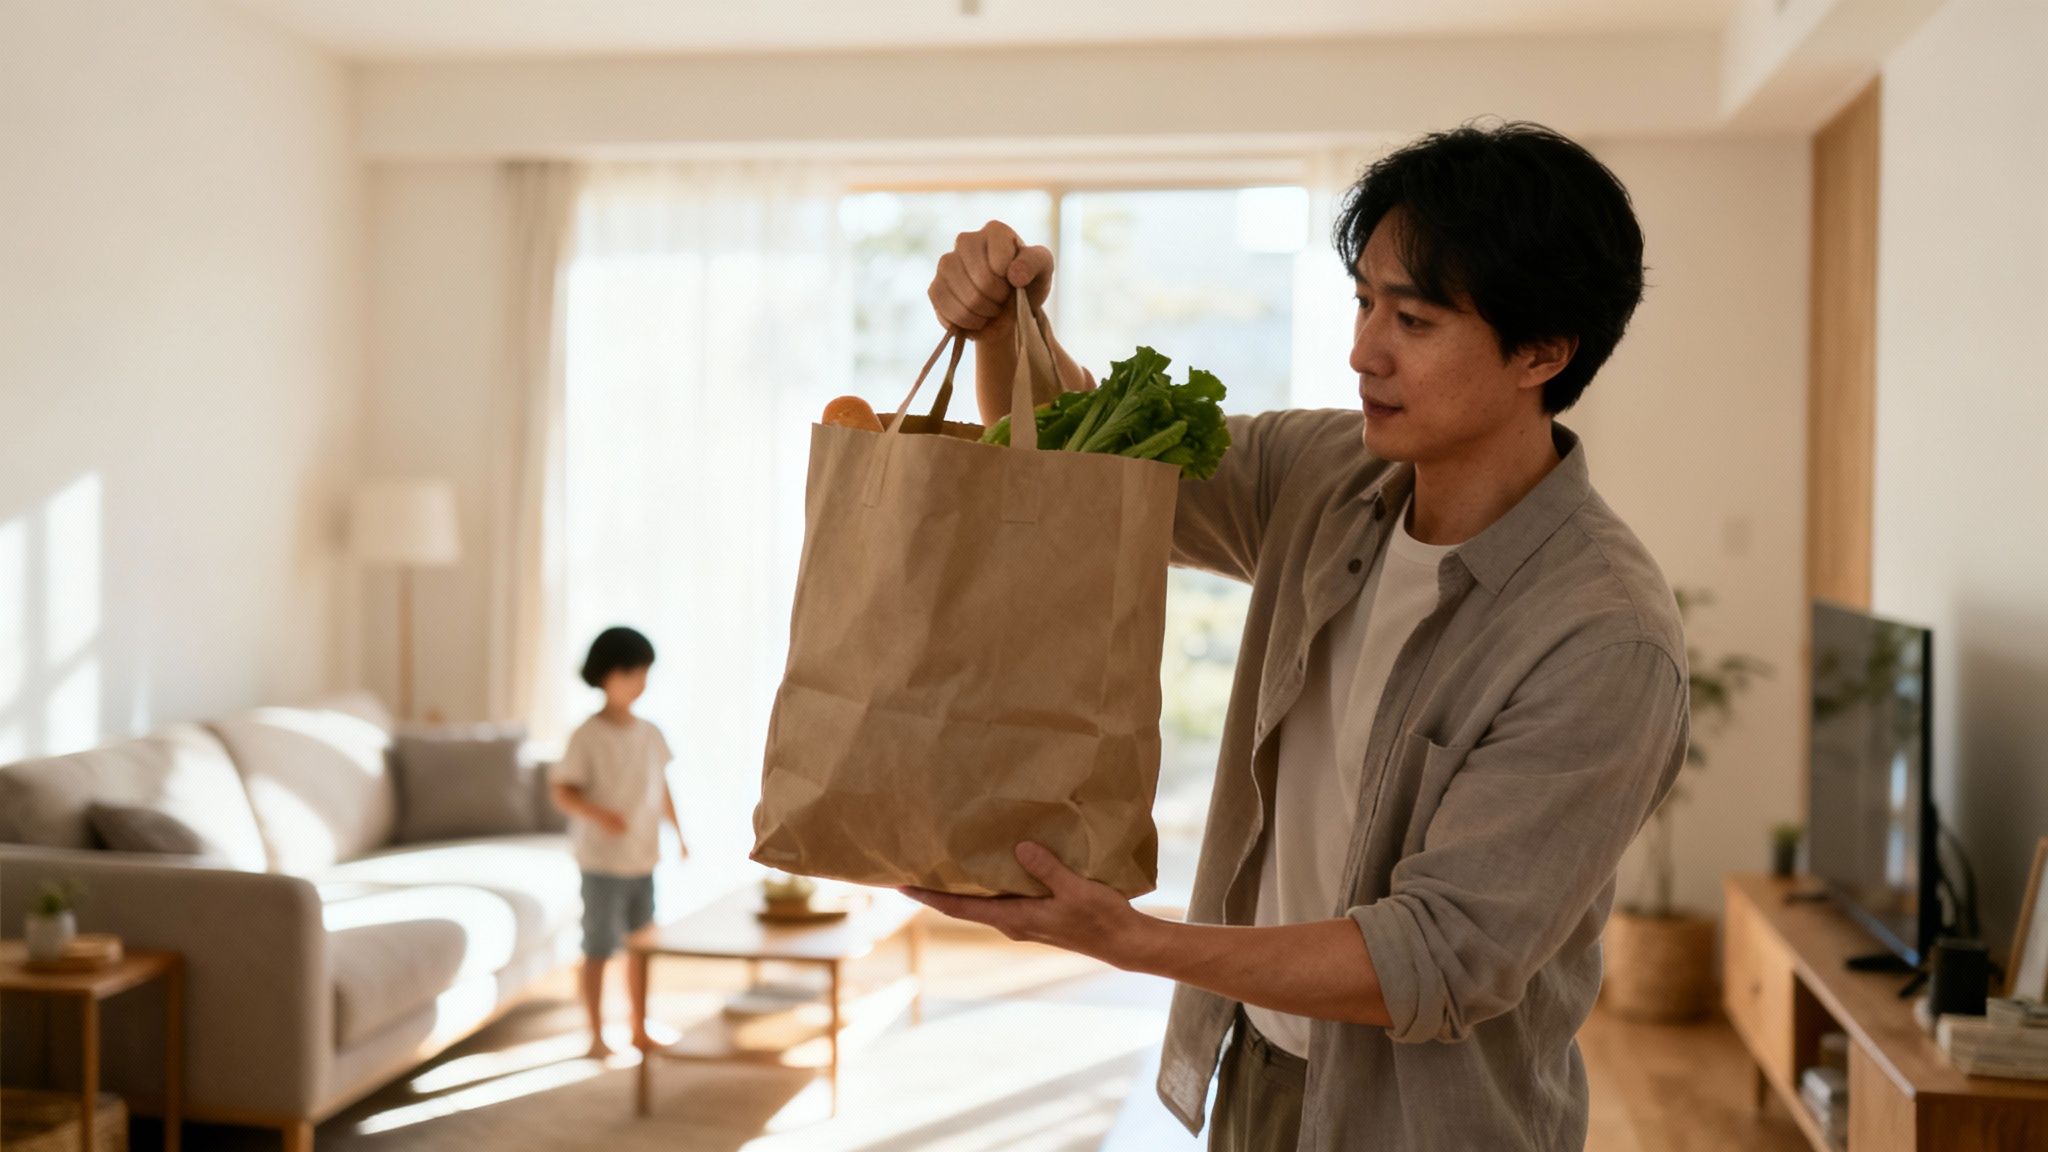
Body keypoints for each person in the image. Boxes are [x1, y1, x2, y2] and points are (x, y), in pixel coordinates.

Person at [907, 121, 1690, 1151]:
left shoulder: (1602, 640)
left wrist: (1131, 940)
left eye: (1410, 319)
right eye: (1364, 302)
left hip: (1432, 1125)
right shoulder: (1324, 475)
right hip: (1259, 1071)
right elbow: (1084, 484)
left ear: (1540, 353)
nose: (1362, 349)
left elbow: (1439, 956)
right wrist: (1007, 329)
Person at [550, 625, 688, 1059]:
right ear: (607, 675)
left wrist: (680, 833)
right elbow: (563, 790)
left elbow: (662, 786)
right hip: (602, 860)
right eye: (632, 672)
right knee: (597, 947)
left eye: (644, 673)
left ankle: (639, 1026)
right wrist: (601, 815)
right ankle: (594, 1033)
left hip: (642, 857)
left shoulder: (650, 733)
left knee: (641, 945)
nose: (640, 682)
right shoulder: (586, 736)